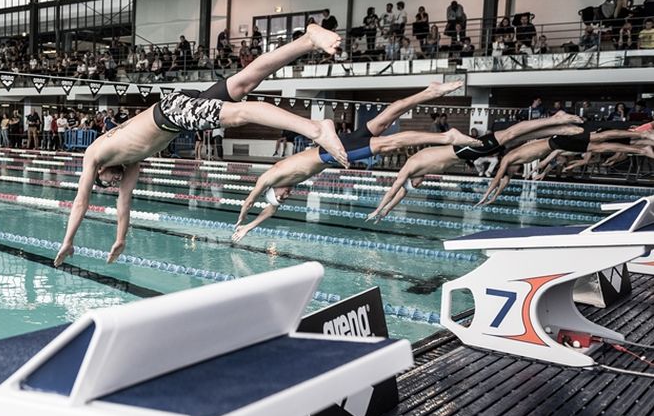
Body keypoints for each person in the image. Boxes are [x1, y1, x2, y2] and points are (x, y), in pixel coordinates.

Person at [54, 25, 348, 266]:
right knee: (244, 83)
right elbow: (124, 205)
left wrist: (67, 241)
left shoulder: (93, 154)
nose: (112, 183)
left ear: (99, 173)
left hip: (170, 113)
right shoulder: (130, 161)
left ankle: (315, 128)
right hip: (178, 111)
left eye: (105, 183)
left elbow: (80, 201)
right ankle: (308, 40)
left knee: (239, 114)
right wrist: (121, 239)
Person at [231, 82, 478, 242]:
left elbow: (253, 197)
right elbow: (269, 211)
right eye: (284, 200)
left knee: (388, 143)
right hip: (334, 148)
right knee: (386, 117)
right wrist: (249, 228)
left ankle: (447, 136)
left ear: (273, 190)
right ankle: (430, 91)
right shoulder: (287, 184)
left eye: (281, 197)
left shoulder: (271, 176)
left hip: (331, 152)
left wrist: (241, 217)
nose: (285, 197)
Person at [367, 111, 585, 221]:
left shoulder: (410, 167)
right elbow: (401, 193)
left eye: (417, 185)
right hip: (466, 152)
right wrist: (386, 212)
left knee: (510, 133)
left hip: (464, 150)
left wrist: (378, 208)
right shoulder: (416, 170)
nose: (419, 185)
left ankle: (555, 118)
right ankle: (557, 129)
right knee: (511, 138)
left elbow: (395, 189)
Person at [478, 128, 654, 205]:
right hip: (558, 145)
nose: (515, 173)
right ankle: (641, 148)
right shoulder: (511, 167)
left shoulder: (507, 159)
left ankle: (640, 135)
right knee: (600, 145)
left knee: (599, 139)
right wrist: (494, 198)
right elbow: (503, 182)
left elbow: (496, 180)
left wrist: (486, 195)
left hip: (557, 142)